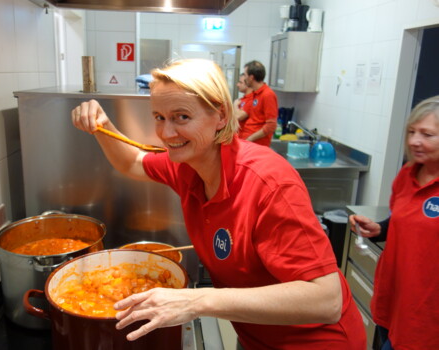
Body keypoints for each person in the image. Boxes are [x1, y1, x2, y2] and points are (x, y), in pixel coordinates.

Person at [71, 58, 365, 350]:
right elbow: (132, 162)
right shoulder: (188, 166)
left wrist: (197, 301)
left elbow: (327, 299)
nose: (166, 133)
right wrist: (101, 124)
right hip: (257, 335)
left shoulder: (269, 183)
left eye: (181, 117)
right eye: (159, 117)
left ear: (221, 116)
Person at [349, 96, 439, 350]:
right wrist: (380, 229)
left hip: (426, 316)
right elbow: (403, 220)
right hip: (393, 301)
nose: (414, 141)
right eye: (411, 132)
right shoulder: (407, 174)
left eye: (427, 134)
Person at [238, 60, 278, 146]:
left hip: (256, 145)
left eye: (245, 75)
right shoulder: (254, 94)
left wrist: (250, 139)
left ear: (251, 77)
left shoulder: (267, 95)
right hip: (247, 143)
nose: (244, 79)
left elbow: (271, 125)